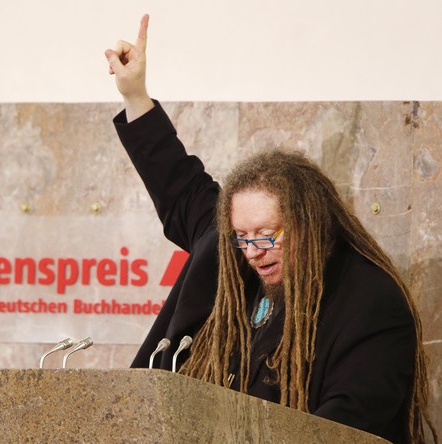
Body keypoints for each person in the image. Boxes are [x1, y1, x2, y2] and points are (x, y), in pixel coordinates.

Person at [105, 14, 437, 444]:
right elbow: (179, 185)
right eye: (243, 237)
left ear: (312, 225)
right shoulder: (228, 249)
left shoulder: (370, 305)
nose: (253, 251)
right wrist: (135, 96)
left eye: (267, 234)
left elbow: (347, 430)